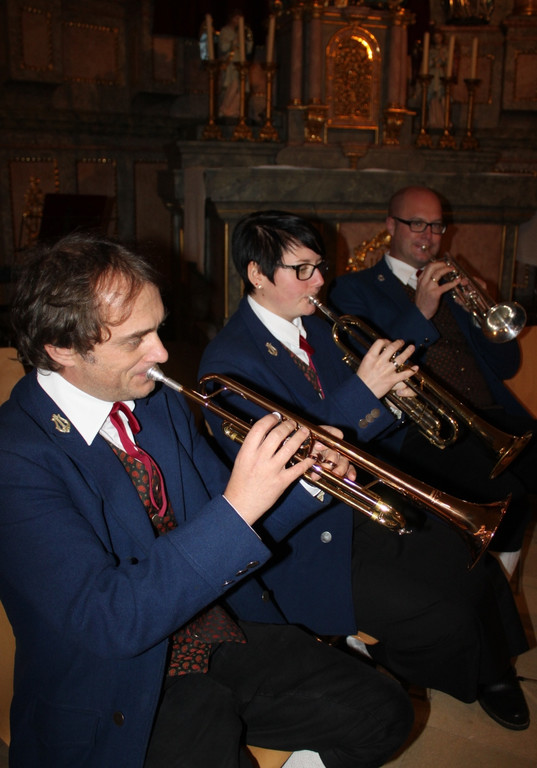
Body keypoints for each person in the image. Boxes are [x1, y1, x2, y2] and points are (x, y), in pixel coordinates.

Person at [0, 233, 415, 768]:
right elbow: (109, 620)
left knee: (383, 711)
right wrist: (241, 506)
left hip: (215, 630)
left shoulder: (157, 407)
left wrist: (304, 479)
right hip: (113, 686)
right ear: (62, 348)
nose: (162, 353)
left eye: (159, 328)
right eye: (136, 339)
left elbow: (226, 519)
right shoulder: (15, 455)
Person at [198, 209, 530, 732]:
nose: (320, 280)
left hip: (360, 503)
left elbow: (363, 428)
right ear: (256, 275)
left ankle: (496, 669)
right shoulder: (229, 363)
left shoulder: (312, 326)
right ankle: (427, 667)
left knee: (467, 556)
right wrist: (364, 393)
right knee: (431, 607)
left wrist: (394, 400)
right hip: (309, 536)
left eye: (319, 266)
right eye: (301, 269)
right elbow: (288, 465)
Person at [329, 185, 537, 578]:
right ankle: (496, 591)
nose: (429, 236)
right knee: (509, 500)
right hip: (427, 428)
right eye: (418, 224)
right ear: (391, 226)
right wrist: (420, 309)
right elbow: (363, 360)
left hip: (491, 417)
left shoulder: (456, 285)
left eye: (437, 226)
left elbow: (506, 365)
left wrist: (482, 314)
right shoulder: (354, 288)